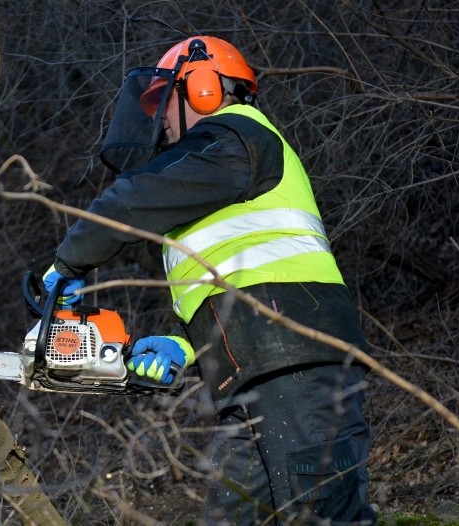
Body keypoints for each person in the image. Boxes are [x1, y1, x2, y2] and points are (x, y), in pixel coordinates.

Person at [42, 36, 376, 524]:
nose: (163, 121)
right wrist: (189, 345)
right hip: (254, 366)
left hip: (296, 359)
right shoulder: (216, 167)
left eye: (166, 103)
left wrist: (69, 263)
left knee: (323, 515)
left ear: (203, 88)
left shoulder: (237, 139)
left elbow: (133, 198)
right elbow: (237, 275)